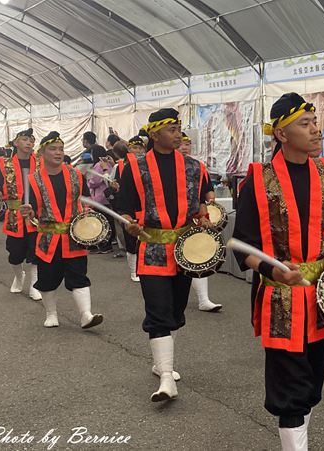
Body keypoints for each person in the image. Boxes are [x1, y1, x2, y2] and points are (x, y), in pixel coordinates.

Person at [234, 93, 324, 451]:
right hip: (281, 296)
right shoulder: (258, 179)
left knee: (313, 381)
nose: (316, 130)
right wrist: (272, 269)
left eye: (315, 122)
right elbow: (243, 247)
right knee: (290, 386)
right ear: (282, 135)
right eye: (305, 124)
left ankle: (299, 435)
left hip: (319, 294)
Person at [117, 108, 213, 402]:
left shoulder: (195, 167)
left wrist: (205, 219)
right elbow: (124, 206)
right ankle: (167, 378)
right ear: (154, 133)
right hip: (153, 248)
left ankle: (163, 364)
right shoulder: (135, 166)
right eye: (172, 129)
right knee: (158, 309)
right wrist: (128, 223)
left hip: (185, 248)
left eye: (179, 128)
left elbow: (199, 207)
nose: (178, 134)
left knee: (175, 310)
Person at [20, 132, 103, 329]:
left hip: (75, 236)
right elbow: (30, 211)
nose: (58, 153)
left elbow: (85, 200)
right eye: (53, 149)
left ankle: (86, 315)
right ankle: (51, 314)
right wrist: (28, 211)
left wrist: (89, 215)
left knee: (79, 275)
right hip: (48, 238)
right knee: (48, 278)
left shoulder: (76, 175)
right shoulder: (33, 180)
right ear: (42, 153)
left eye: (61, 149)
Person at [177, 132, 222, 312]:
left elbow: (208, 191)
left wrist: (210, 203)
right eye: (181, 143)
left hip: (197, 215)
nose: (184, 147)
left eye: (187, 143)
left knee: (199, 254)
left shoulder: (198, 166)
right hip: (172, 221)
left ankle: (204, 299)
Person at [0, 128, 41, 300]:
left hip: (35, 214)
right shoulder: (4, 164)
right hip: (14, 215)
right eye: (24, 139)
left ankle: (34, 285)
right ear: (15, 143)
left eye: (31, 140)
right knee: (15, 255)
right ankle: (18, 275)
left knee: (34, 253)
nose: (29, 143)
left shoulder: (39, 163)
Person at [114, 135, 145, 282]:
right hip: (128, 206)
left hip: (144, 207)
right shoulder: (119, 166)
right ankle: (134, 271)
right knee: (131, 240)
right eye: (134, 148)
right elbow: (113, 186)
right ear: (128, 149)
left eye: (140, 148)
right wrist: (114, 187)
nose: (137, 150)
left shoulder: (147, 166)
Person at [87, 145, 117, 254]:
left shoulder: (99, 165)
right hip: (107, 197)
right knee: (108, 220)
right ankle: (105, 243)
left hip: (99, 197)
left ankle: (104, 244)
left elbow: (95, 181)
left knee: (101, 222)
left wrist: (89, 183)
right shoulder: (109, 164)